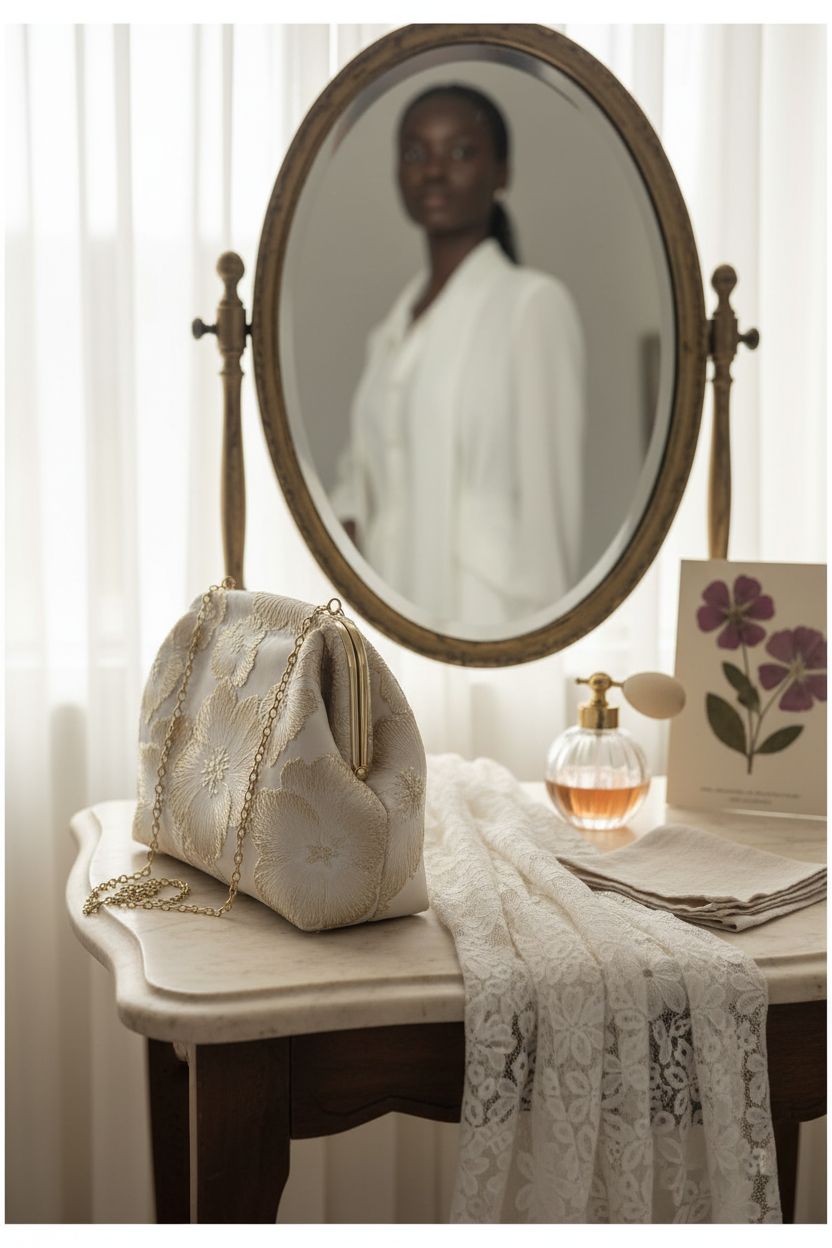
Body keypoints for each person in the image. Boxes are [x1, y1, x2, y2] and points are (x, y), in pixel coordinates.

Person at [330, 83, 586, 629]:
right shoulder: (391, 334)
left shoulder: (531, 306)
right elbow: (357, 487)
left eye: (461, 151)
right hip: (390, 618)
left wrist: (544, 637)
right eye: (416, 153)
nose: (435, 171)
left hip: (490, 618)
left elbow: (549, 506)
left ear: (502, 172)